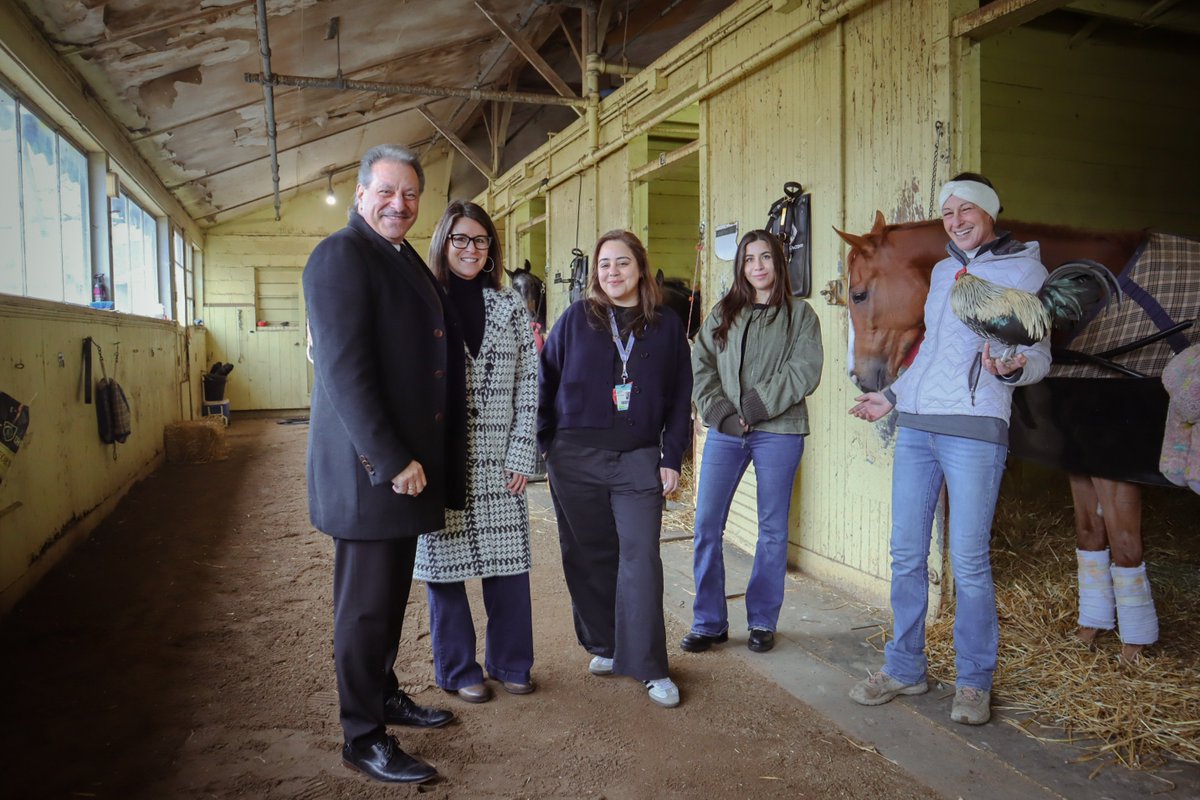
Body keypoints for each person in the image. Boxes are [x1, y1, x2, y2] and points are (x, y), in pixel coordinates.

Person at [846, 173, 1051, 726]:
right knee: (906, 553)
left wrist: (1015, 367)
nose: (956, 221)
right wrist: (891, 396)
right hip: (917, 427)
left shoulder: (1024, 271)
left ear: (989, 212)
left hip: (974, 428)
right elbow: (932, 350)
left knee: (969, 560)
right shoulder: (942, 272)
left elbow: (1040, 355)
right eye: (948, 212)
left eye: (967, 210)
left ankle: (974, 681)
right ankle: (905, 667)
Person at [303, 144, 466, 784]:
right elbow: (345, 372)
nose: (400, 204)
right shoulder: (341, 256)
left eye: (410, 194)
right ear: (361, 194)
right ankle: (362, 736)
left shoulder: (397, 255)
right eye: (387, 192)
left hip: (401, 472)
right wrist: (393, 458)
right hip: (370, 471)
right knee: (365, 606)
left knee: (392, 594)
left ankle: (384, 693)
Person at [538, 230, 693, 708]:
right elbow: (546, 379)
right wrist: (546, 444)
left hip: (638, 458)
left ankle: (650, 665)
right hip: (574, 458)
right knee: (588, 554)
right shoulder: (575, 319)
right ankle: (606, 643)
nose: (612, 272)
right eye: (604, 264)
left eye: (622, 263)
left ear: (640, 269)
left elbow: (680, 396)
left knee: (640, 556)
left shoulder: (666, 325)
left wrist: (671, 458)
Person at [414, 200, 540, 704]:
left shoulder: (510, 306)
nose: (471, 248)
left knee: (508, 566)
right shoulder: (424, 301)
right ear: (444, 242)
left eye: (480, 240)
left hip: (500, 458)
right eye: (461, 239)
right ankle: (458, 667)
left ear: (491, 249)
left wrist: (522, 452)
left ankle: (511, 661)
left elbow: (529, 382)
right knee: (444, 568)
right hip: (442, 458)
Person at [684, 230, 823, 655]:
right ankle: (709, 622)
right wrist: (721, 411)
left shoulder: (800, 315)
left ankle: (762, 620)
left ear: (779, 262)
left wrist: (755, 405)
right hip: (727, 430)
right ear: (740, 266)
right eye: (749, 259)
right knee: (706, 523)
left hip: (779, 430)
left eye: (765, 257)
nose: (757, 266)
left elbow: (804, 370)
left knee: (772, 530)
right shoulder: (724, 312)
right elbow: (701, 363)